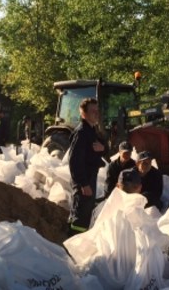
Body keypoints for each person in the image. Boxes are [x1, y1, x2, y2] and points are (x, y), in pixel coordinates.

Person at [67, 97, 106, 236]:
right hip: (84, 181)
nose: (96, 114)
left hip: (90, 177)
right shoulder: (82, 132)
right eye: (92, 111)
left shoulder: (92, 130)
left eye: (97, 111)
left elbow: (103, 147)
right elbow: (74, 161)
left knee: (85, 212)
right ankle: (73, 245)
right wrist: (83, 184)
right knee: (80, 215)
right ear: (84, 114)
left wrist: (102, 148)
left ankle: (77, 242)